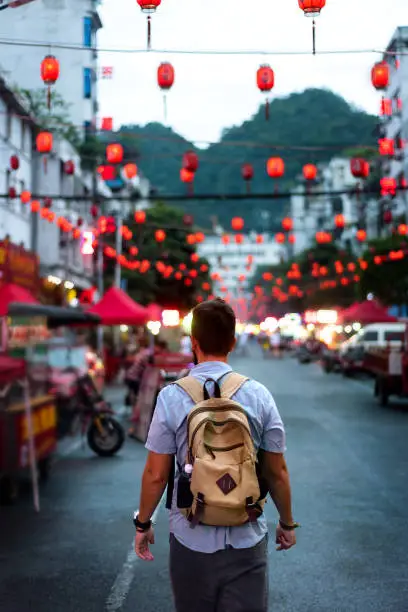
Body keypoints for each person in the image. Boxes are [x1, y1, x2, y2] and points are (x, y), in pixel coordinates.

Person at [134, 298, 297, 612]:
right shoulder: (259, 395)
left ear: (193, 342)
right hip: (247, 536)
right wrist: (287, 524)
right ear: (233, 343)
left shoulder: (171, 396)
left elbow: (156, 474)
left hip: (190, 537)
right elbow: (277, 471)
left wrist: (143, 525)